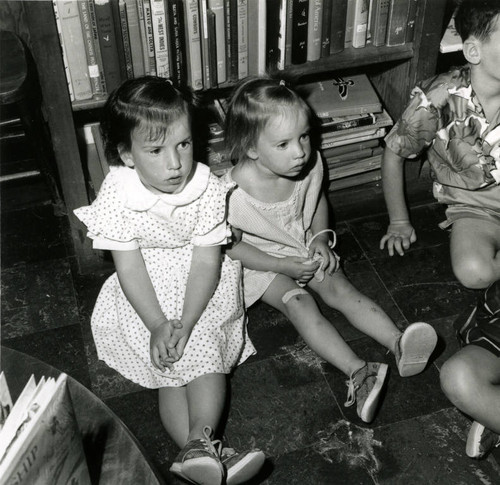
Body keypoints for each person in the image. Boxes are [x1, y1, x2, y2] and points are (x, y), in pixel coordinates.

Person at [74, 76, 265, 485]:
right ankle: (209, 455)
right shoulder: (117, 193)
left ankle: (198, 445)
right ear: (126, 154)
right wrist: (158, 322)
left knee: (203, 350)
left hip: (201, 285)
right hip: (147, 288)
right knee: (171, 367)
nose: (174, 163)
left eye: (183, 144)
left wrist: (189, 319)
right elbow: (129, 267)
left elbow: (205, 263)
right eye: (156, 150)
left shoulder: (207, 189)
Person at [221, 76, 438, 425]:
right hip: (261, 264)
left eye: (304, 136)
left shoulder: (307, 165)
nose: (300, 151)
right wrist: (282, 265)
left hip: (303, 241)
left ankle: (399, 343)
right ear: (250, 148)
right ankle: (359, 371)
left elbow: (317, 199)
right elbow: (232, 248)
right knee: (300, 303)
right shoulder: (229, 196)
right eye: (284, 144)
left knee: (340, 289)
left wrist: (320, 237)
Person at [379, 0, 500, 459]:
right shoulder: (437, 97)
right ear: (473, 50)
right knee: (473, 271)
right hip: (474, 210)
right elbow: (394, 151)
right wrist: (398, 218)